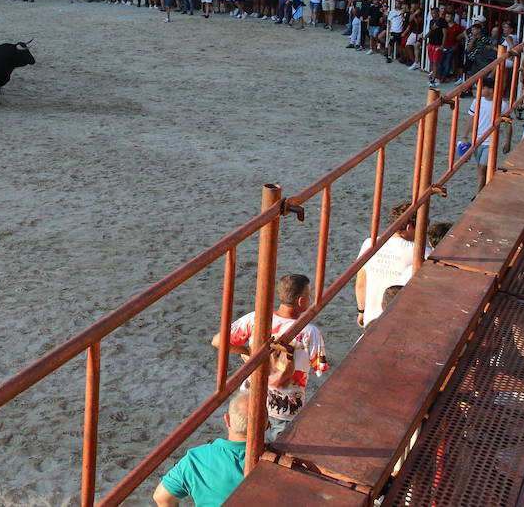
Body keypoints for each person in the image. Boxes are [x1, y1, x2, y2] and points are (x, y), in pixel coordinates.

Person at [213, 274, 328, 436]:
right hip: (286, 409)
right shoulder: (310, 332)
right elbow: (320, 368)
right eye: (309, 296)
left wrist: (248, 352)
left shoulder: (255, 319)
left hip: (251, 401)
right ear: (301, 301)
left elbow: (218, 341)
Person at [152, 393, 250, 507]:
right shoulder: (272, 460)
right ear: (266, 425)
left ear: (227, 419)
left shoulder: (196, 459)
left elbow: (161, 498)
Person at [355, 203, 429, 327]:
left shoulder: (370, 244)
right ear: (409, 227)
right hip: (400, 320)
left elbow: (361, 283)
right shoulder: (421, 252)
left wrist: (362, 311)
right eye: (421, 229)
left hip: (371, 319)